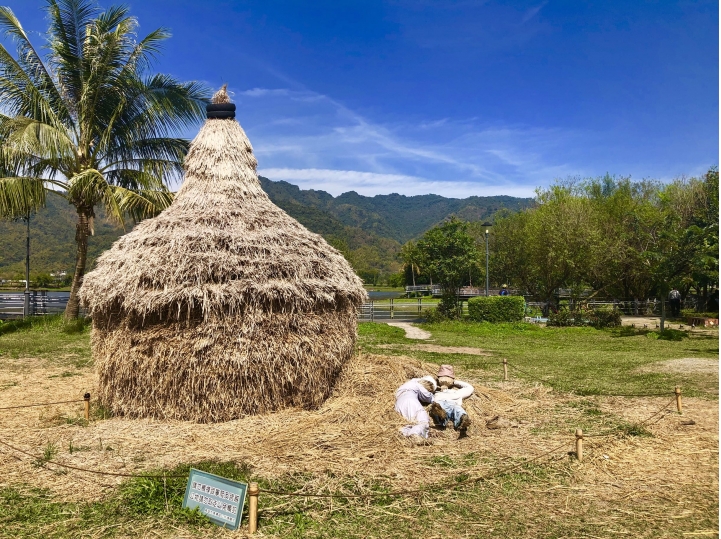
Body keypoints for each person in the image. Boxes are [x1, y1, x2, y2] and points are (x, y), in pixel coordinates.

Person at [428, 365, 473, 436]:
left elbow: (470, 388)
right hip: (440, 403)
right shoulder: (436, 391)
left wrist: (454, 382)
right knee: (442, 406)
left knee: (456, 408)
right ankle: (441, 414)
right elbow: (426, 386)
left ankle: (463, 419)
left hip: (451, 403)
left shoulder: (456, 392)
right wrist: (436, 385)